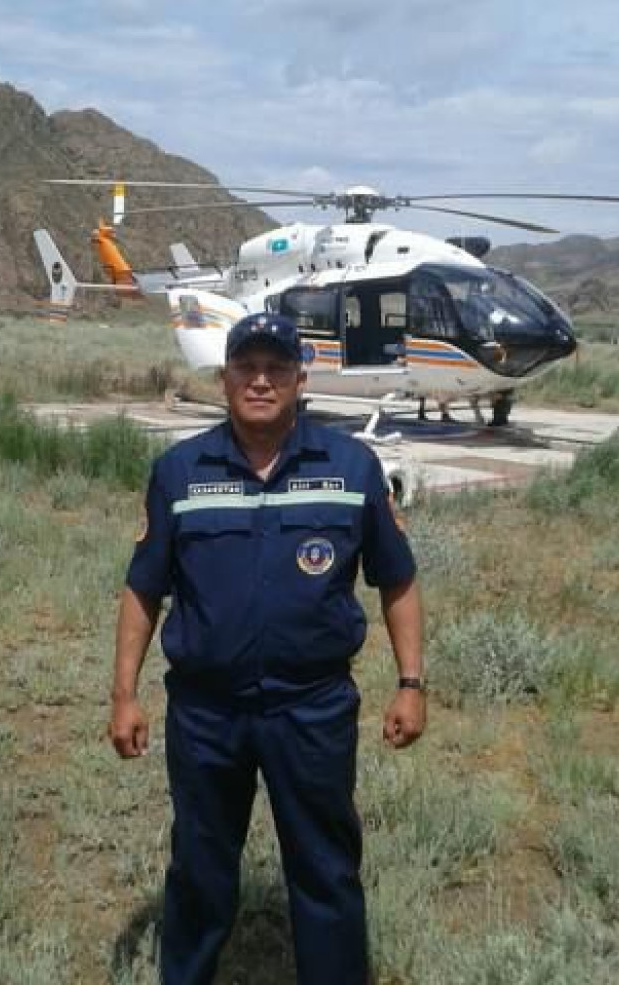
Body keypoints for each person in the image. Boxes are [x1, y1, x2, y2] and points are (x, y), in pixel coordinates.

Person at [109, 312, 425, 985]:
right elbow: (143, 589)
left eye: (276, 368)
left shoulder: (350, 467)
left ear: (299, 379)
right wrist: (124, 696)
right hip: (206, 714)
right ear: (224, 379)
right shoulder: (180, 472)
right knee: (199, 867)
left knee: (326, 868)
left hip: (312, 709)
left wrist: (410, 683)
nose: (260, 381)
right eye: (245, 368)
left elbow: (396, 578)